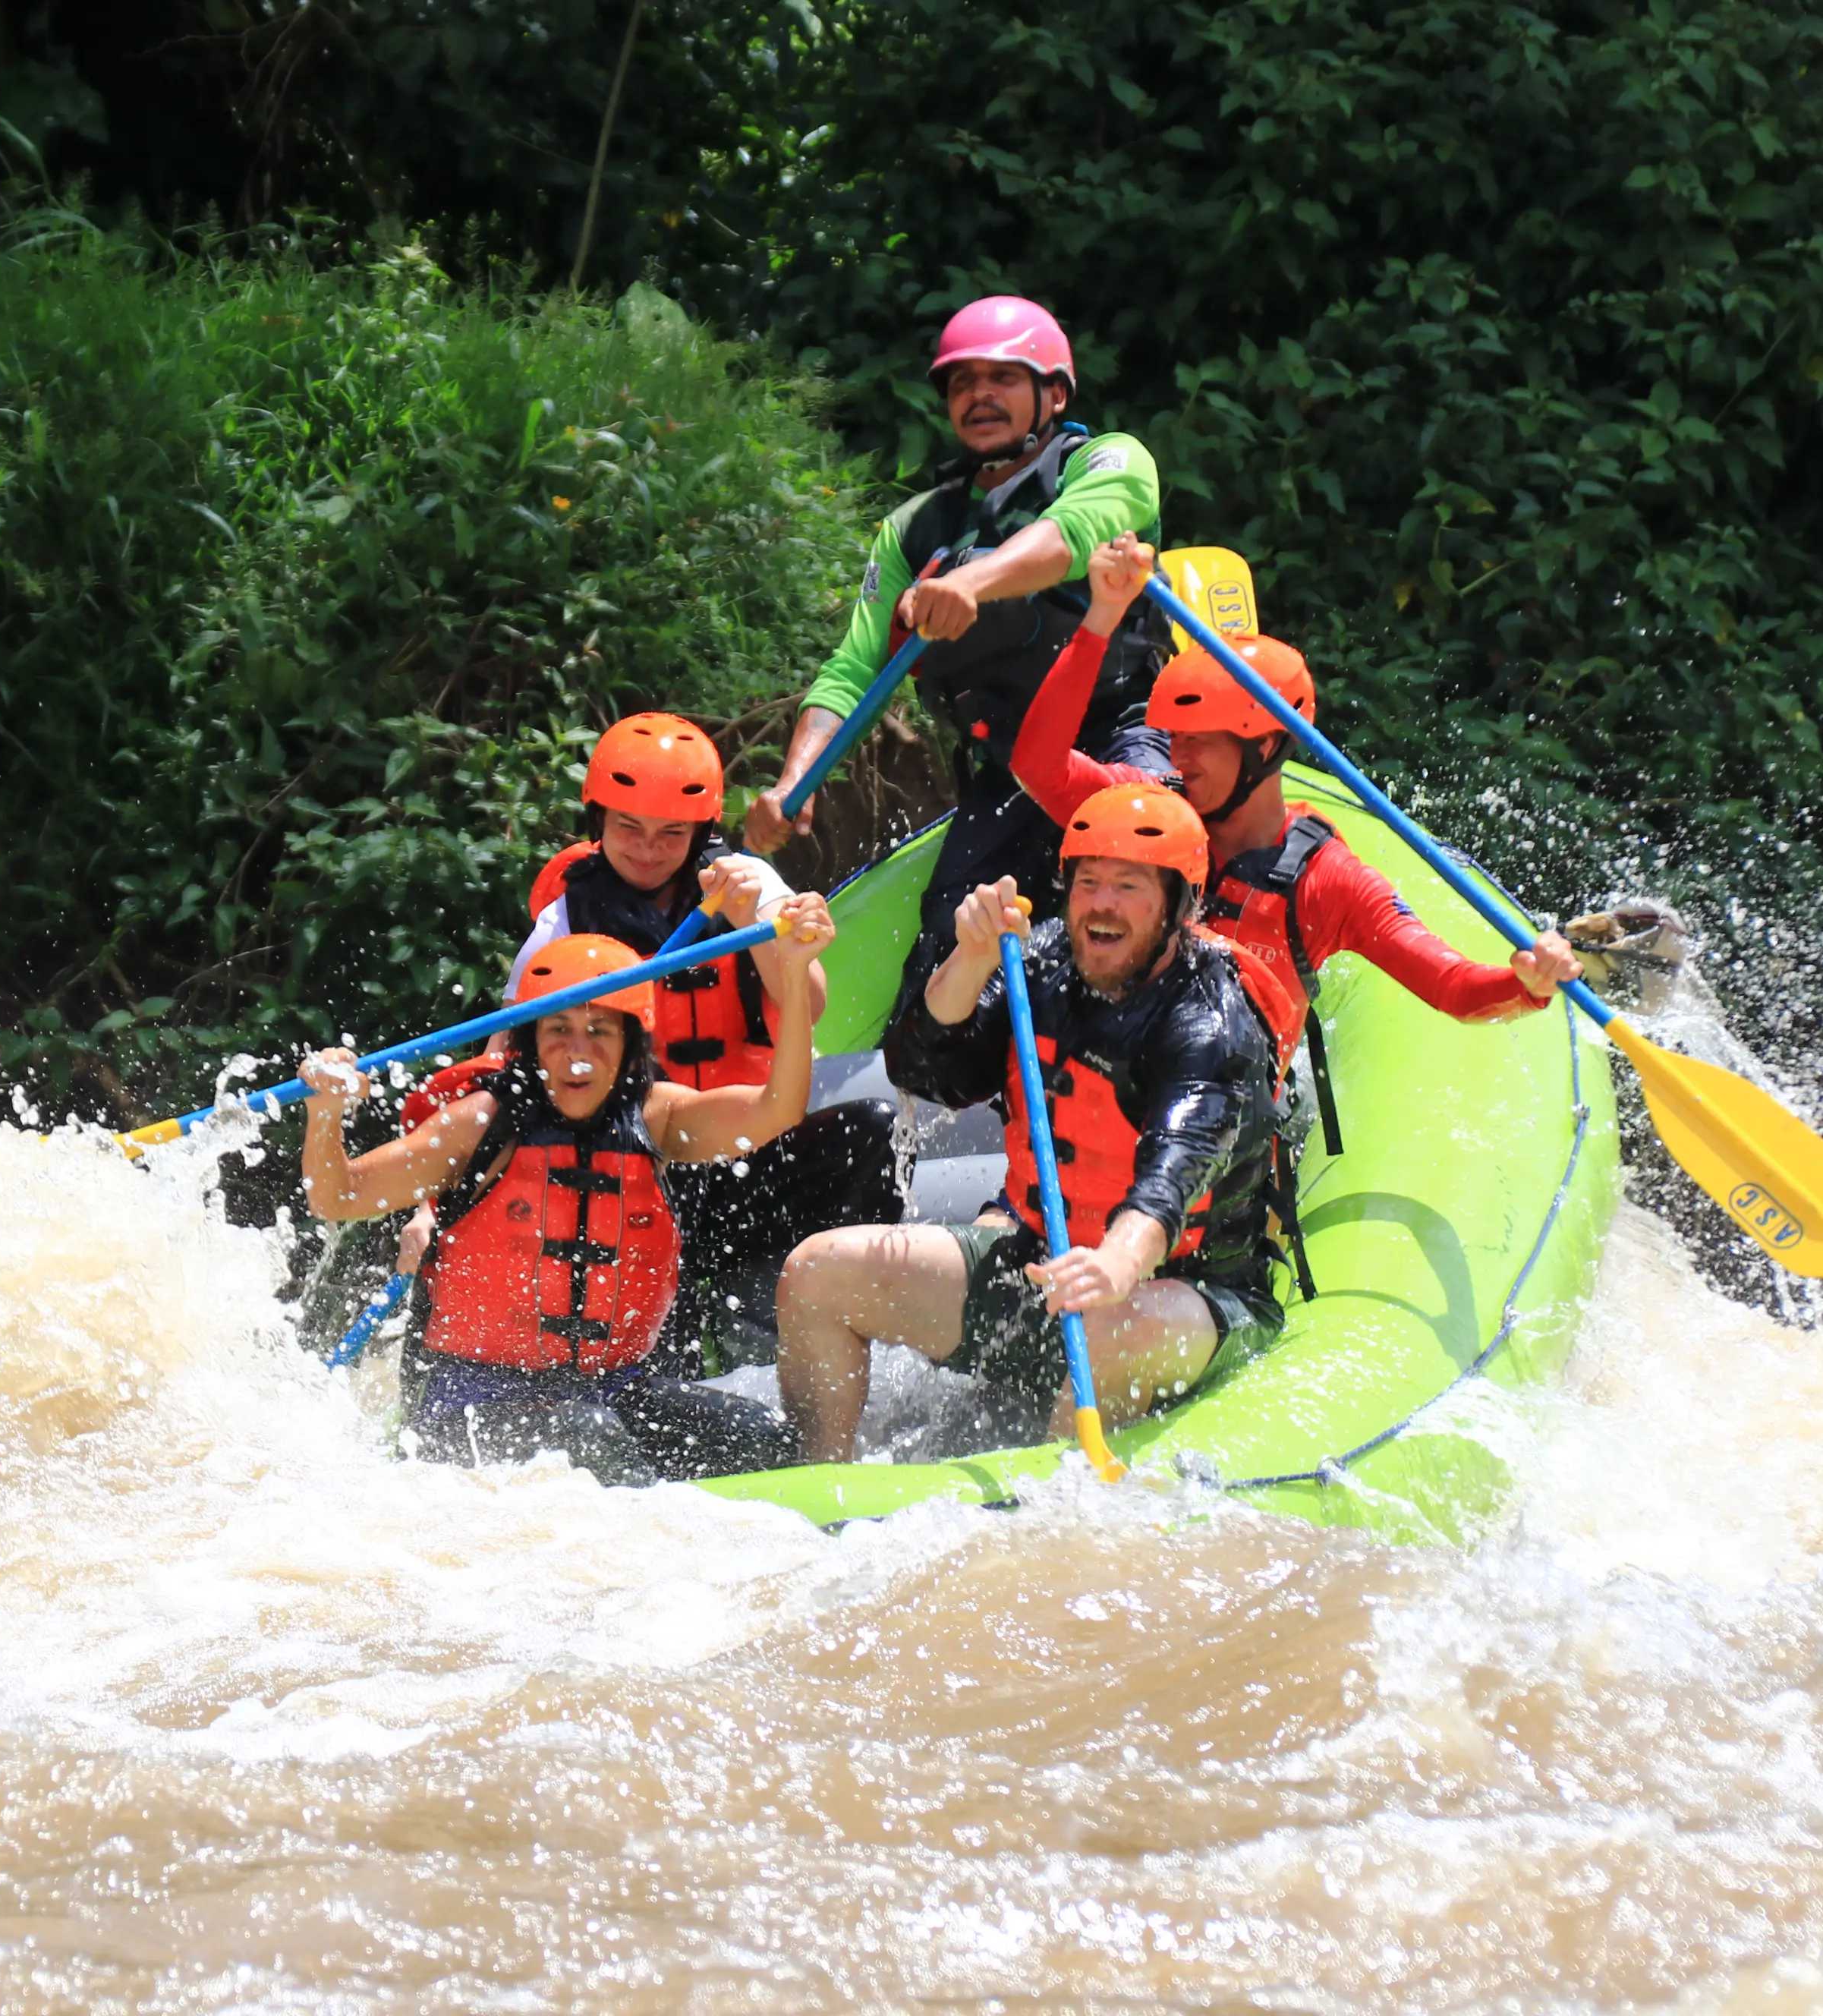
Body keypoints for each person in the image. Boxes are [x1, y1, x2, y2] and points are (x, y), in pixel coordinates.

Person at [1012, 537, 1585, 1168]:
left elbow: (1452, 987)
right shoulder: (1146, 811)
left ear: (1264, 748)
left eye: (1200, 742)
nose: (1179, 757)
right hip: (1089, 1108)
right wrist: (1100, 618)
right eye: (1175, 739)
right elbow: (1037, 765)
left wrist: (1526, 984)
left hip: (1209, 1148)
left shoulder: (1326, 881)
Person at [773, 786, 1282, 1464]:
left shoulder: (1210, 1021)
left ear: (1179, 906)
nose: (1102, 904)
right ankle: (821, 1482)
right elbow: (924, 1074)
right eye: (1089, 882)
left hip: (1183, 1292)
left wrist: (1117, 1264)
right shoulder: (1039, 962)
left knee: (1108, 1330)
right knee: (816, 1275)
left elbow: (1177, 1170)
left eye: (1129, 886)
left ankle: (1052, 1507)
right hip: (1040, 1262)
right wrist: (971, 958)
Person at [741, 296, 1175, 998]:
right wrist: (796, 782)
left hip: (1119, 738)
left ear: (1055, 393)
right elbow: (854, 670)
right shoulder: (913, 530)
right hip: (1007, 774)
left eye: (1003, 377)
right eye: (963, 382)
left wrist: (973, 581)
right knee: (942, 969)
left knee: (1138, 895)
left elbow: (1075, 533)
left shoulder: (1109, 460)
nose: (980, 395)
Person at [299, 921, 833, 1485]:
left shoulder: (658, 1117)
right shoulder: (480, 1123)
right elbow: (338, 1197)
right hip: (469, 1398)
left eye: (600, 1031)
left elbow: (778, 1109)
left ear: (629, 1044)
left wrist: (795, 972)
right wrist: (325, 1112)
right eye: (559, 1029)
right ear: (530, 1040)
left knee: (760, 1438)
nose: (579, 1054)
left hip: (610, 1388)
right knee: (593, 1438)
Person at [517, 713, 902, 1369]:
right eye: (629, 828)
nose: (649, 849)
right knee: (669, 1368)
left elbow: (808, 1002)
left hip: (750, 1142)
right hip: (641, 1167)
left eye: (672, 833)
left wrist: (761, 928)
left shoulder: (747, 885)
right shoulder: (564, 920)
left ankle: (824, 1314)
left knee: (871, 1128)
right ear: (598, 823)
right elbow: (509, 1055)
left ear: (701, 832)